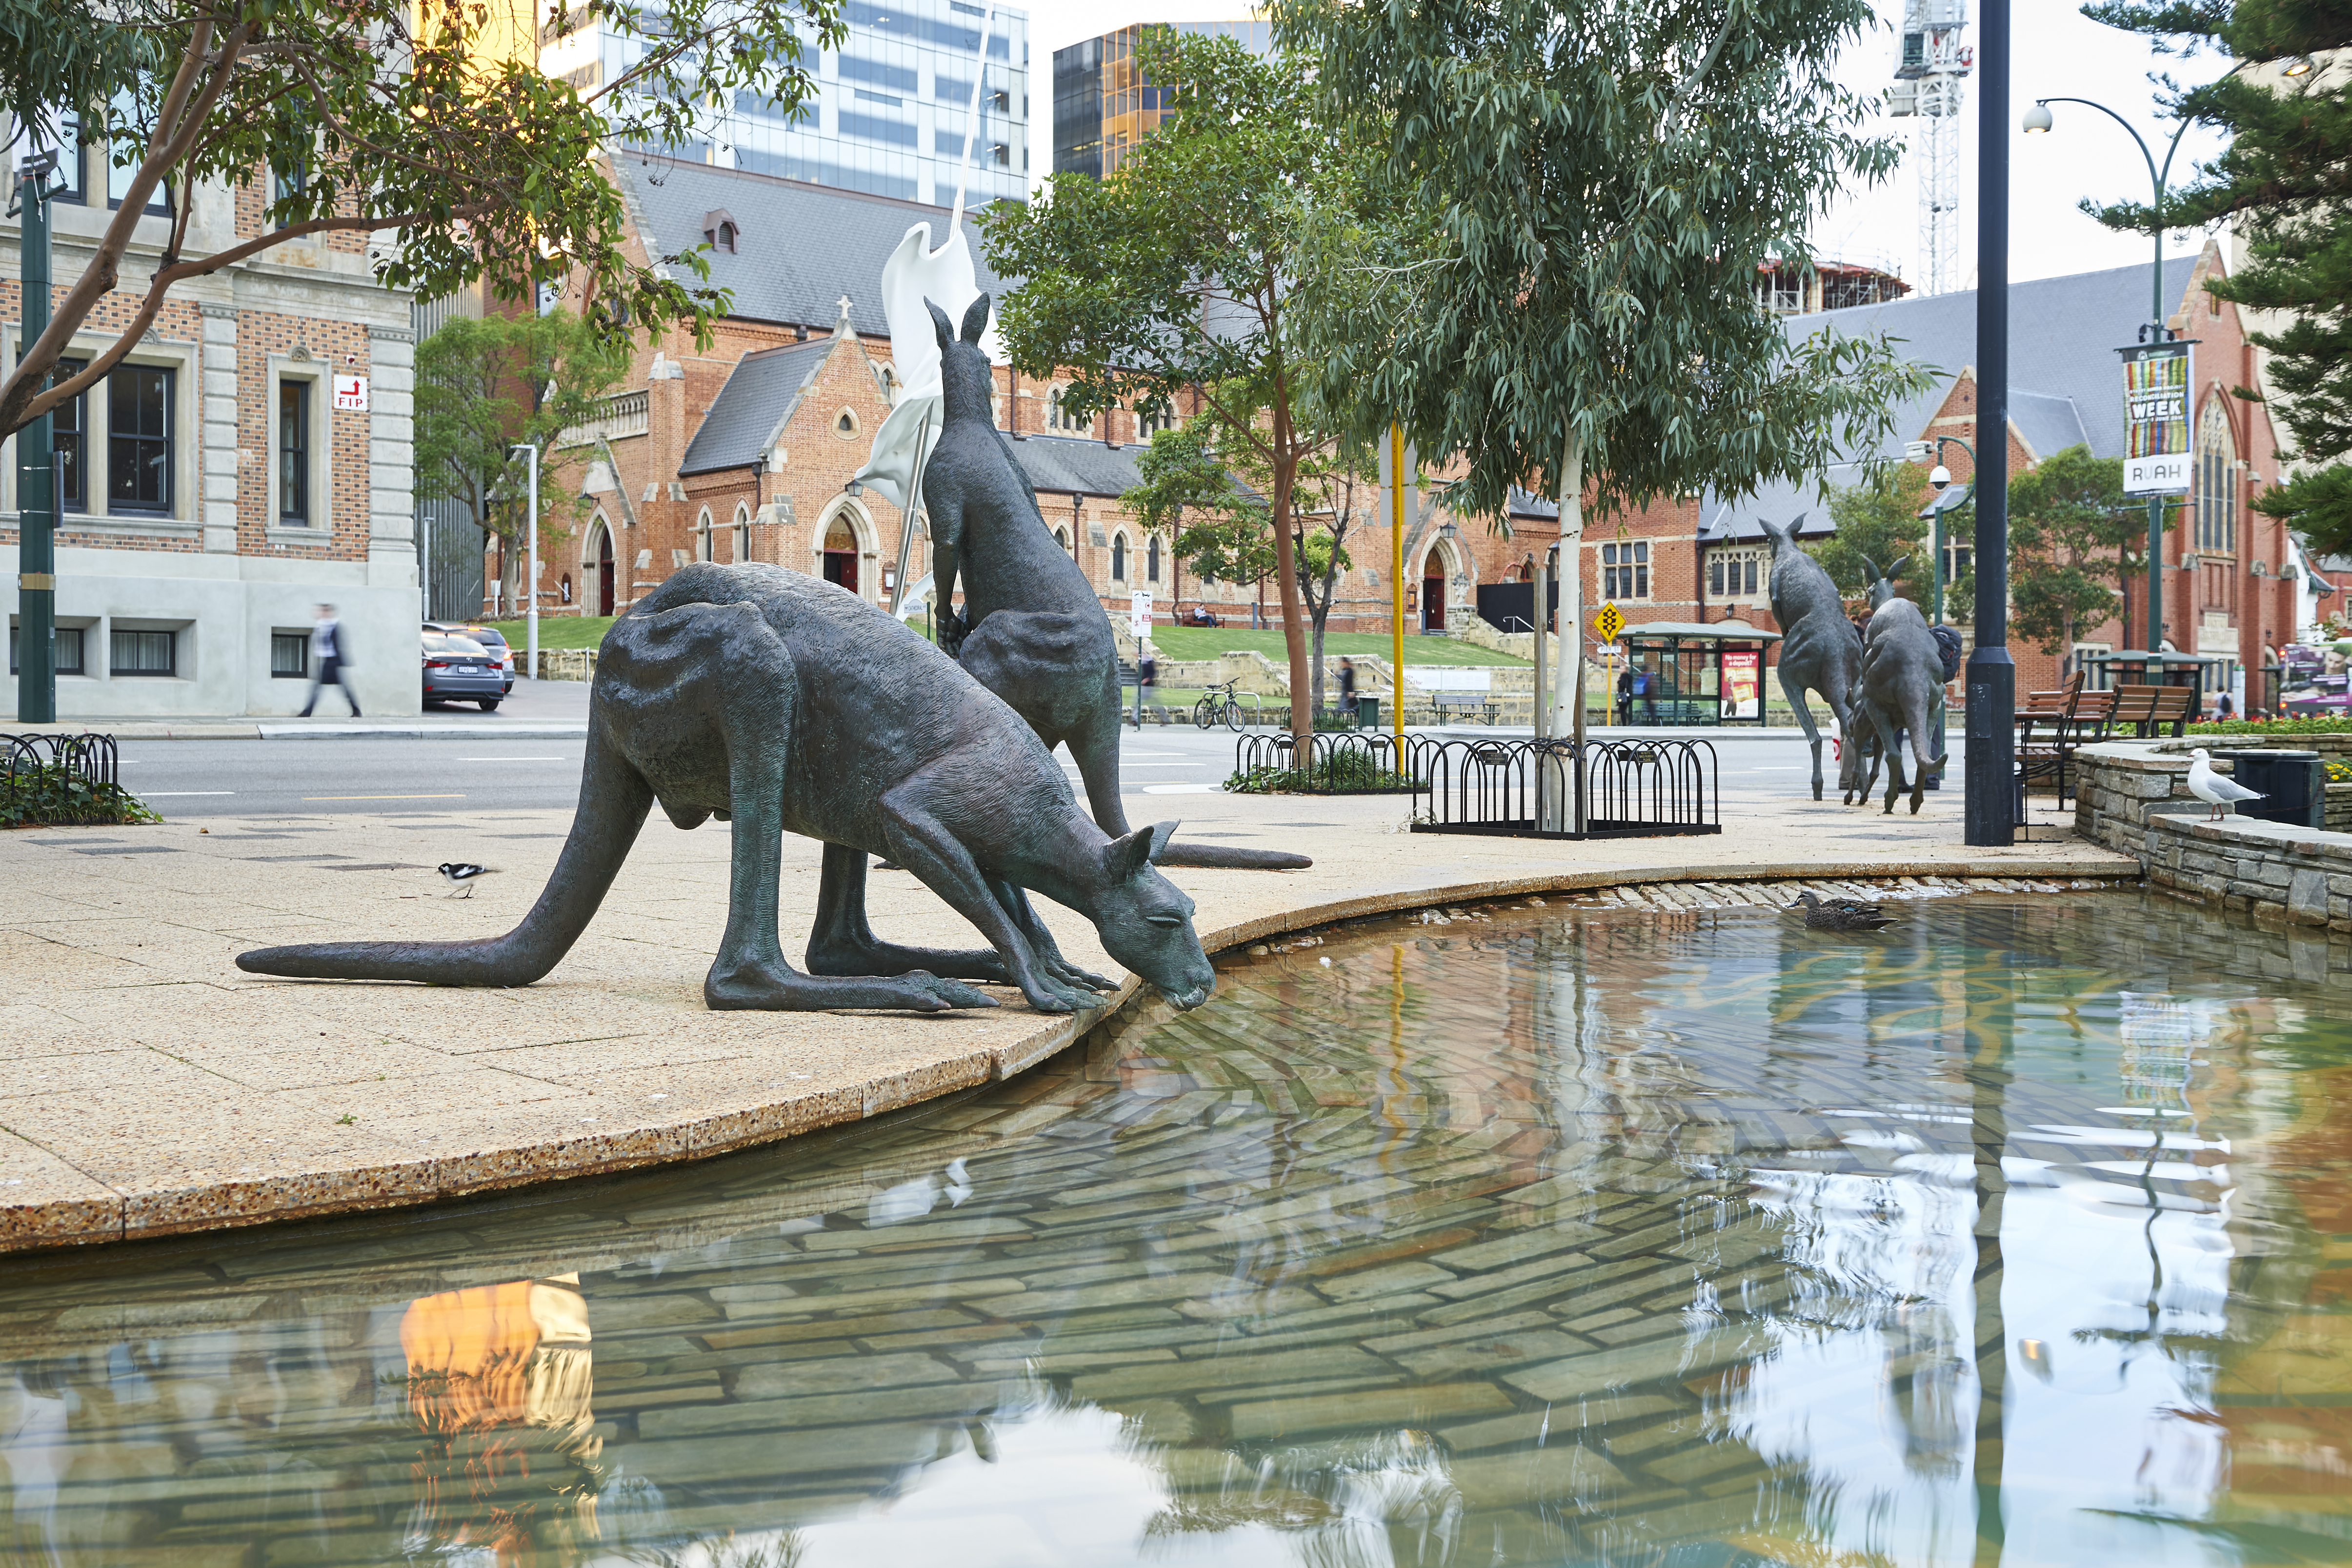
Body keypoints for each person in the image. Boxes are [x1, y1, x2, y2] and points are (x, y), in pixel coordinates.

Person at [299, 603, 362, 717]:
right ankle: (356, 711)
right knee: (338, 688)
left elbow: (338, 645)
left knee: (320, 687)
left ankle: (307, 712)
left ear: (330, 613)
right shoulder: (322, 626)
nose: (322, 613)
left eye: (325, 611)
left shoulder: (334, 626)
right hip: (328, 661)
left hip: (333, 662)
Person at [1336, 657, 1358, 723]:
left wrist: (1350, 691)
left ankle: (1337, 721)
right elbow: (1343, 678)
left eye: (1343, 663)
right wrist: (1336, 675)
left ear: (1346, 663)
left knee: (1347, 707)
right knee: (1347, 707)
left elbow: (1349, 682)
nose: (1341, 664)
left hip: (1348, 692)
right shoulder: (1345, 671)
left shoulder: (1349, 671)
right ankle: (1337, 720)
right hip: (1345, 692)